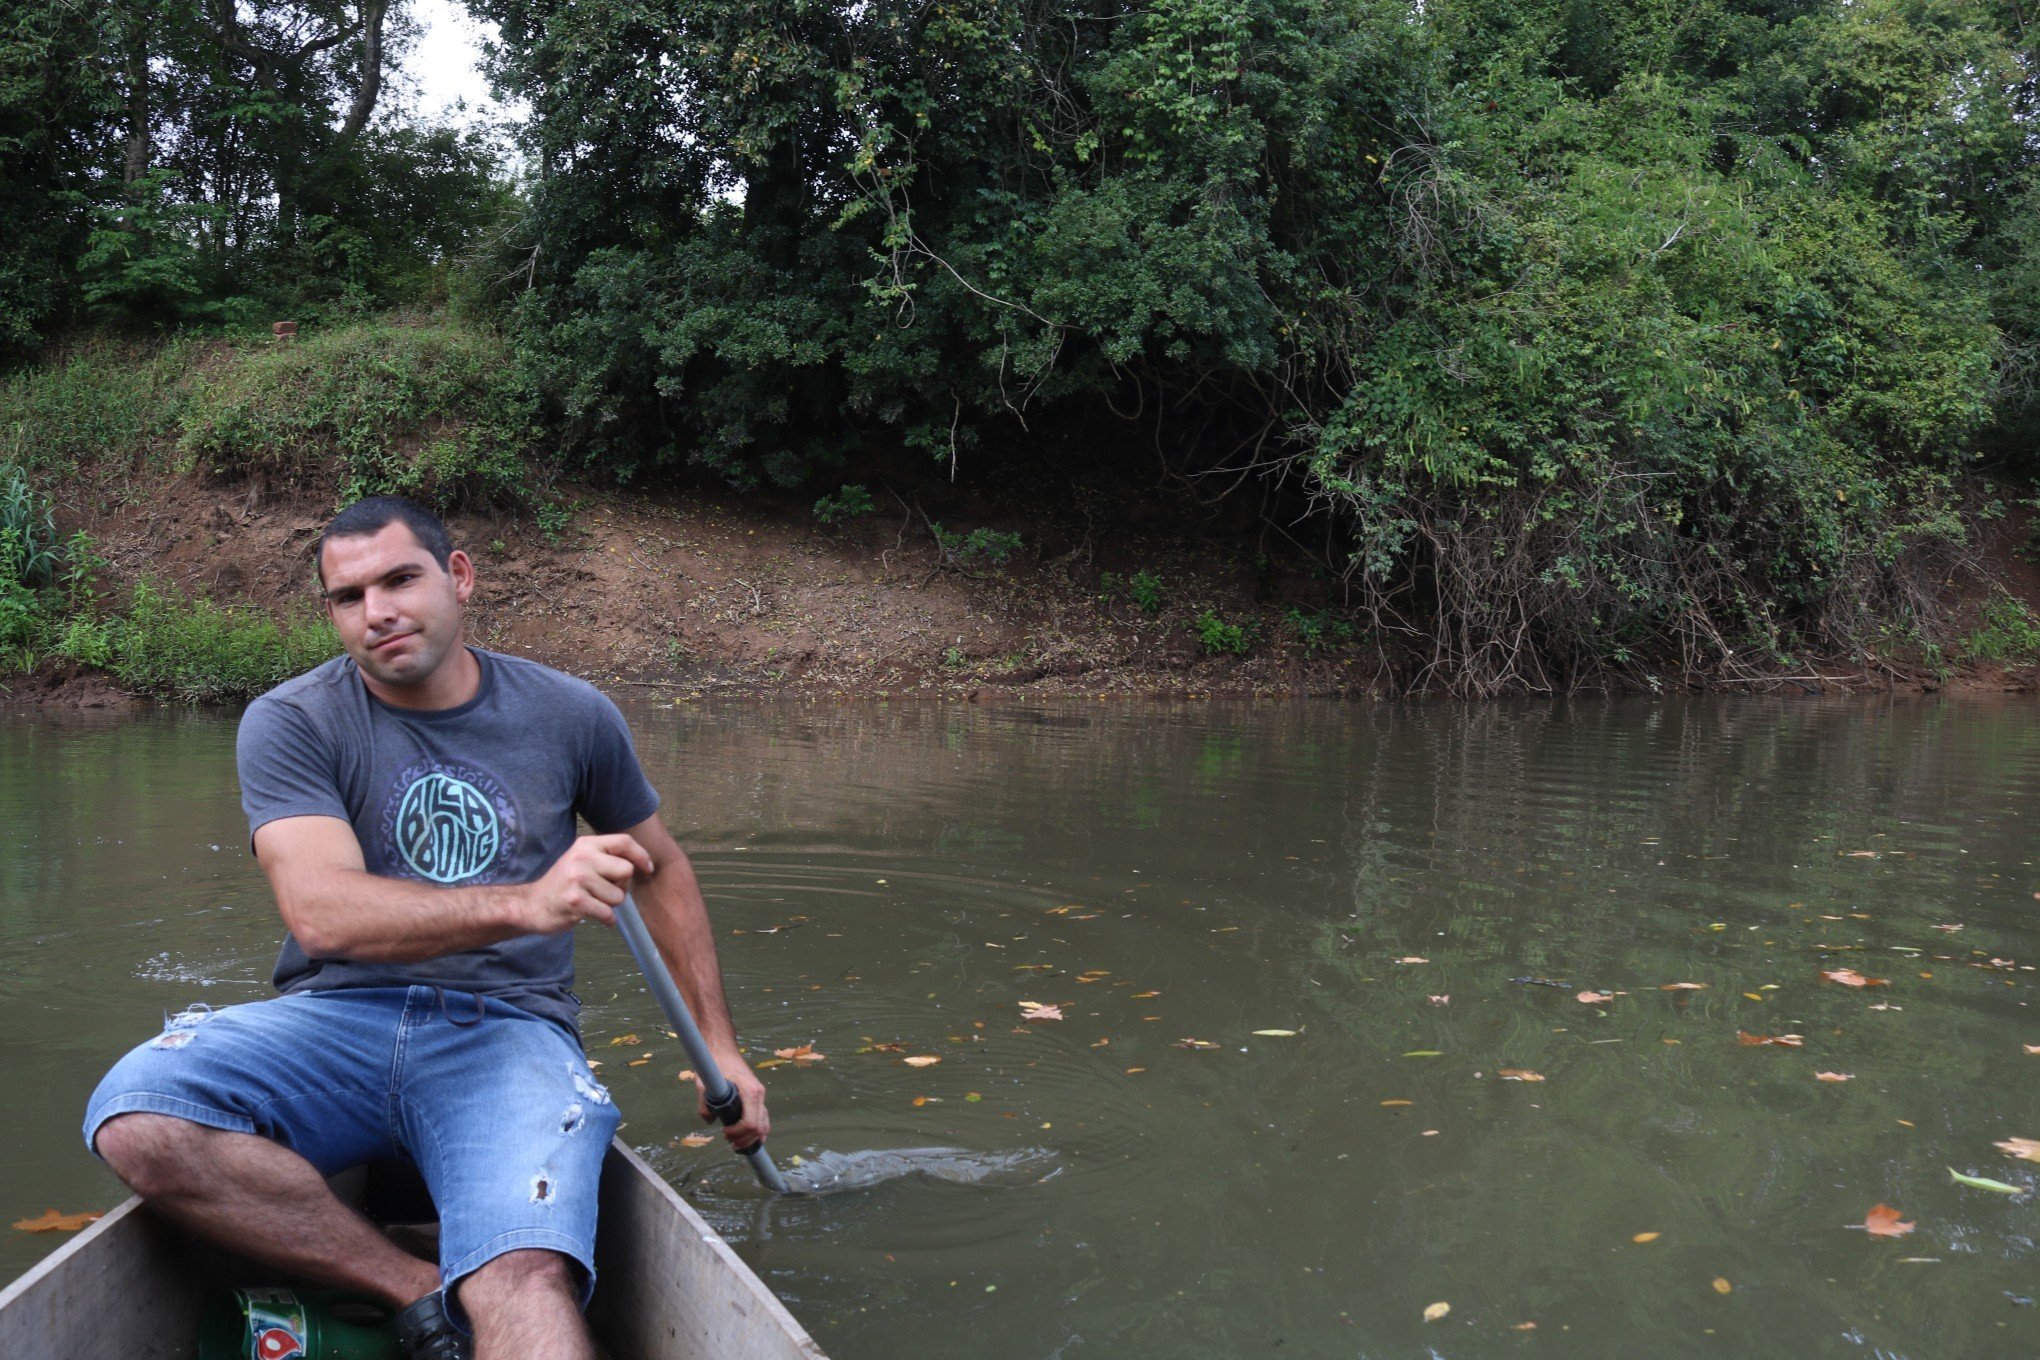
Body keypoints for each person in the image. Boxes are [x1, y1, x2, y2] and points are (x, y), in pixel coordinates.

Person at [82, 496, 769, 1360]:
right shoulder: (293, 720)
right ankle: (414, 1289)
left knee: (524, 1278)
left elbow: (661, 868)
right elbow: (321, 912)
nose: (378, 612)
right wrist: (526, 902)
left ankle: (482, 1267)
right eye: (349, 596)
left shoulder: (570, 714)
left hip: (508, 1034)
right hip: (336, 1019)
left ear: (459, 577)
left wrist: (722, 1047)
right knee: (138, 1115)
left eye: (401, 579)